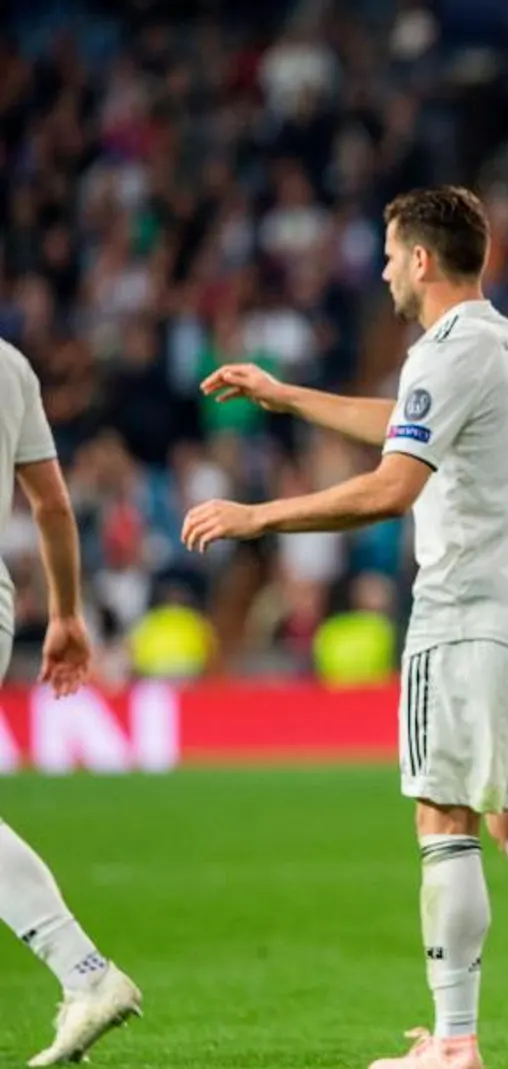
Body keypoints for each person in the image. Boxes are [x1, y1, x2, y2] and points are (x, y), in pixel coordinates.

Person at [183, 186, 508, 1069]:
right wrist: (288, 395)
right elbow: (415, 428)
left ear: (421, 258)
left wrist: (257, 518)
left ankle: (454, 1045)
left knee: (444, 816)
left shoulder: (440, 352)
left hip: (465, 613)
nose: (382, 269)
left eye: (389, 253)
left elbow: (393, 485)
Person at [0, 339, 143, 1067]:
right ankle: (84, 972)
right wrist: (65, 612)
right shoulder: (13, 365)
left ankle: (85, 970)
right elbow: (52, 502)